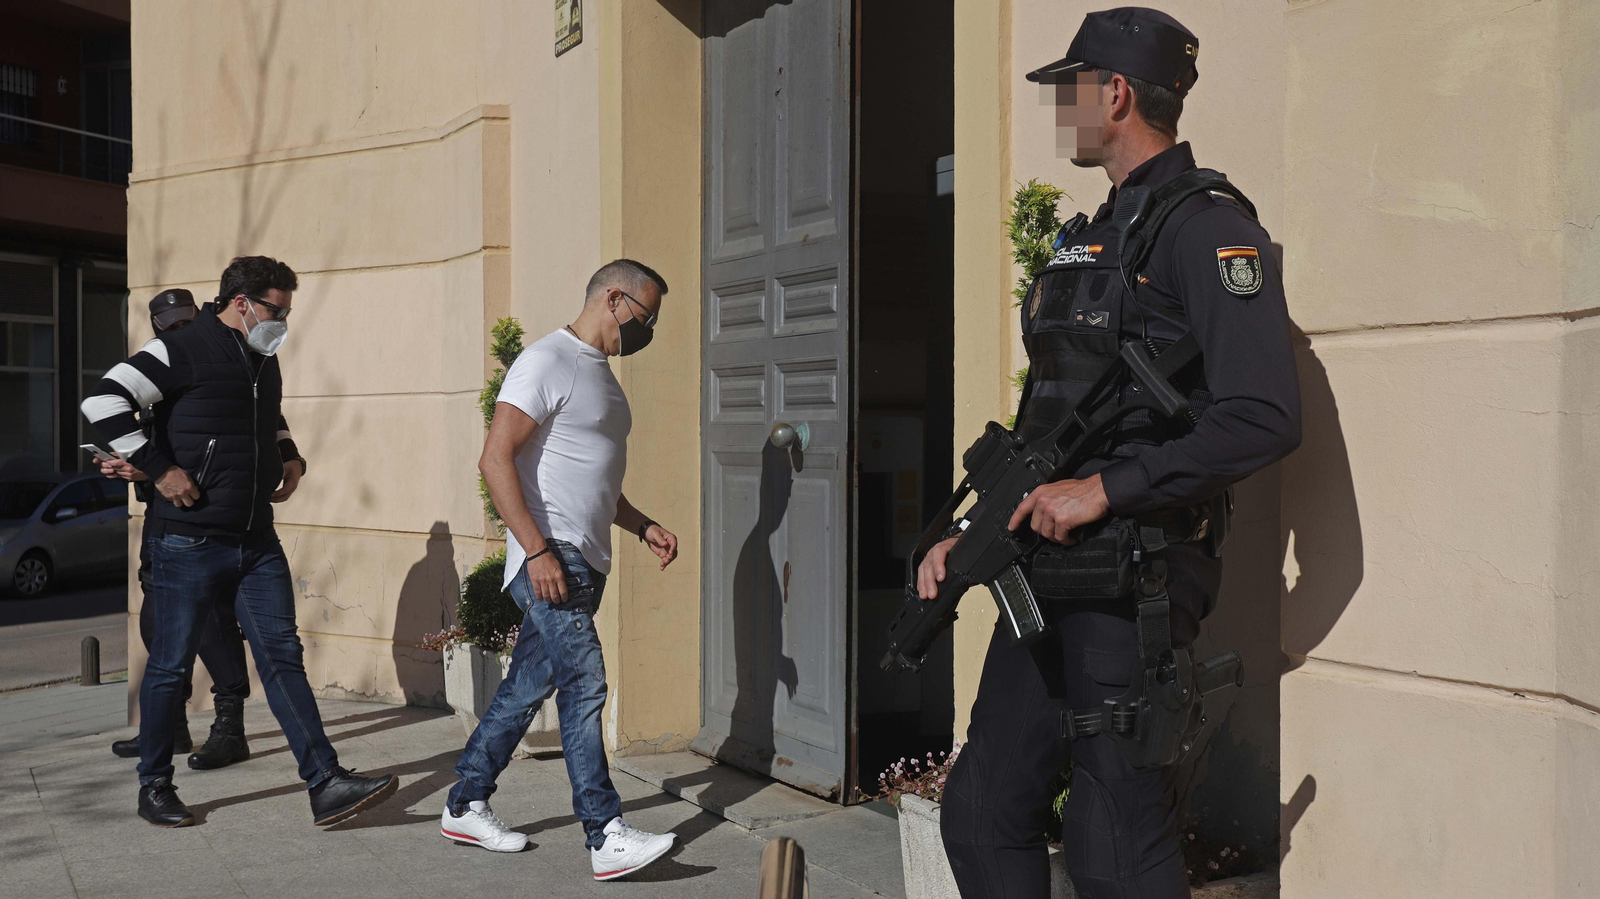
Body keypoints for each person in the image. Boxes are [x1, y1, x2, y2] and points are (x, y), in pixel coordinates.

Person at [918, 9, 1302, 899]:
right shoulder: (1092, 235)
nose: (1063, 109)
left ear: (1117, 94)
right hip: (1048, 567)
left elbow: (1262, 415)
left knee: (1114, 832)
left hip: (1138, 574)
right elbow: (1046, 421)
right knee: (980, 807)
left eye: (1072, 90)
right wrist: (970, 530)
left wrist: (1108, 488)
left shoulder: (1210, 230)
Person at [81, 256, 397, 828]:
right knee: (171, 666)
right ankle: (154, 787)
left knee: (283, 658)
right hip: (187, 541)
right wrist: (157, 469)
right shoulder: (182, 347)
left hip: (254, 538)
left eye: (287, 311)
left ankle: (325, 784)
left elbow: (264, 414)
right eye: (277, 309)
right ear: (242, 301)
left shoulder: (261, 355)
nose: (284, 321)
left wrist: (290, 454)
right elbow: (102, 402)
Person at [439, 259, 683, 882]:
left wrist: (642, 523)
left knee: (525, 690)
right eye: (647, 314)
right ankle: (605, 834)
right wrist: (539, 551)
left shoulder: (599, 376)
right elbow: (496, 459)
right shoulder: (547, 361)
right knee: (586, 682)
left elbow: (592, 479)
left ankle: (465, 802)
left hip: (584, 556)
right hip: (554, 555)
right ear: (615, 299)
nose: (649, 328)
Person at [105, 289, 273, 771]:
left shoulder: (217, 351)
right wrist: (137, 465)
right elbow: (137, 424)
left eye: (185, 321)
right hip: (164, 510)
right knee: (156, 616)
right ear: (156, 326)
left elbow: (260, 414)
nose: (178, 331)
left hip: (208, 511)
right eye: (169, 325)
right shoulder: (159, 366)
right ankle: (167, 726)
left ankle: (230, 726)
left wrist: (289, 454)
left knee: (213, 620)